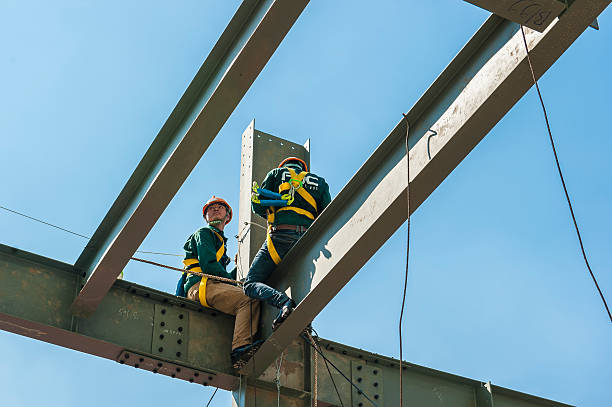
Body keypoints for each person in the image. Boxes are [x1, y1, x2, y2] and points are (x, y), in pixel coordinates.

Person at [244, 157, 331, 330]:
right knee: (304, 282)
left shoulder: (276, 174)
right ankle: (304, 324)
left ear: (284, 166)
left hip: (280, 237)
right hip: (306, 242)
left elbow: (258, 206)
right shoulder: (320, 182)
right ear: (302, 167)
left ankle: (283, 302)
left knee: (250, 283)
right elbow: (326, 215)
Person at [177, 196, 262, 369]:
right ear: (206, 217)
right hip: (201, 286)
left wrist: (237, 270)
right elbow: (209, 266)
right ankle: (240, 348)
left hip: (210, 286)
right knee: (248, 298)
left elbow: (221, 276)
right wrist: (234, 281)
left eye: (220, 207)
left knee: (244, 296)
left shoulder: (220, 242)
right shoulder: (204, 233)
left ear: (228, 216)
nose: (215, 209)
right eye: (211, 208)